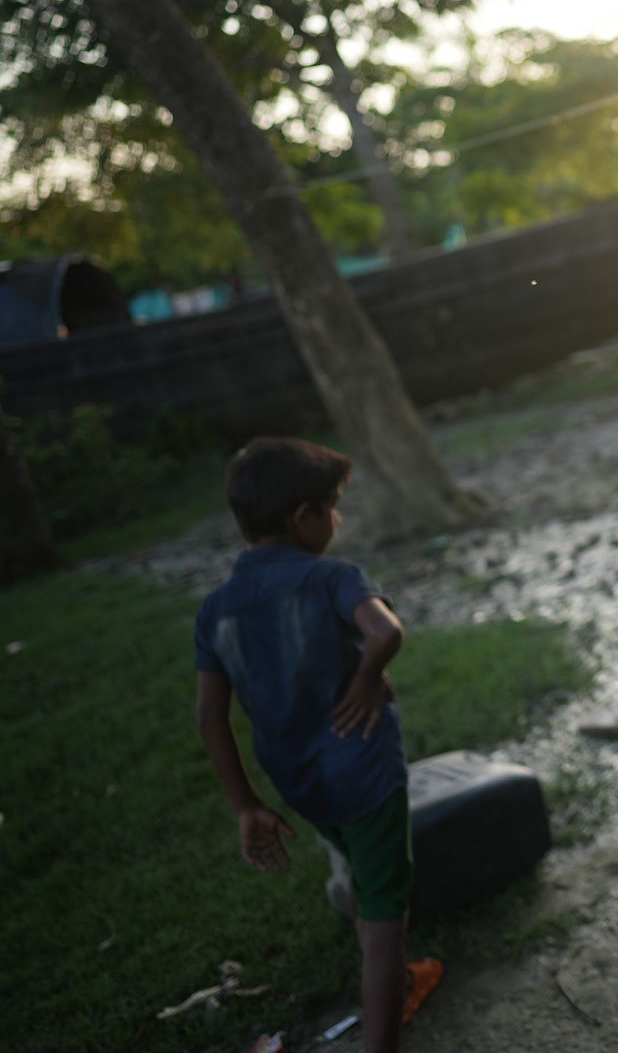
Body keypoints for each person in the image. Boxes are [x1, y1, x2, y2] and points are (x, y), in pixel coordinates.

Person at [193, 438, 440, 1053]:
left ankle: (394, 975)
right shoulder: (332, 576)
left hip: (298, 782)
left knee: (357, 869)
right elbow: (384, 631)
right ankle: (386, 1019)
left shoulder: (216, 609)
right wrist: (364, 678)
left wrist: (247, 806)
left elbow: (211, 718)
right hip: (365, 772)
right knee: (386, 915)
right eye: (333, 506)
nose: (338, 519)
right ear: (304, 517)